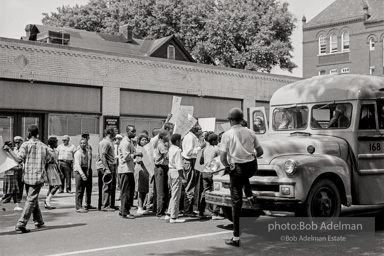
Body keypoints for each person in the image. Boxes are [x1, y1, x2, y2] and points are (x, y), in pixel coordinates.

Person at [220, 108, 264, 247]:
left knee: (236, 202)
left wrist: (229, 166)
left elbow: (222, 158)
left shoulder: (227, 135)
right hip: (251, 167)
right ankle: (250, 196)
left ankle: (236, 237)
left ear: (231, 120)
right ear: (241, 119)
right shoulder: (250, 132)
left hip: (237, 168)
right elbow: (260, 151)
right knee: (244, 175)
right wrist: (250, 156)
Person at [4, 125, 51, 233]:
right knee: (32, 198)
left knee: (31, 199)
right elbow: (49, 159)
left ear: (29, 134)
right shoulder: (44, 146)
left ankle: (21, 223)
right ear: (37, 134)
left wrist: (9, 151)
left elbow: (19, 159)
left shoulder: (25, 145)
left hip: (27, 176)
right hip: (38, 176)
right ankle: (38, 220)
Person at [182, 124, 206, 217]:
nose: (201, 131)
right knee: (190, 186)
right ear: (196, 130)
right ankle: (187, 209)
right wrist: (200, 147)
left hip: (192, 161)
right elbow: (189, 152)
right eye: (200, 129)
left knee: (192, 185)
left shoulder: (193, 137)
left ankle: (189, 208)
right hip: (190, 161)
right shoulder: (190, 138)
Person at [118, 125, 142, 219]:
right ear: (127, 131)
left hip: (129, 169)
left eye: (135, 131)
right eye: (133, 131)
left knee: (129, 191)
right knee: (126, 191)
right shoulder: (125, 143)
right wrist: (136, 154)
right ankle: (125, 212)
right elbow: (126, 157)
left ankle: (123, 209)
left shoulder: (129, 141)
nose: (134, 133)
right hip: (125, 170)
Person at [198, 133, 224, 220]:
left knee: (205, 192)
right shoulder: (216, 150)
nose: (218, 141)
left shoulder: (204, 149)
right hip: (213, 173)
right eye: (217, 140)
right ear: (213, 141)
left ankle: (201, 211)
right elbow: (220, 161)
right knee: (215, 192)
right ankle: (215, 213)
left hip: (204, 172)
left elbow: (201, 161)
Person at [165, 134, 186, 223]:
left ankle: (169, 213)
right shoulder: (177, 150)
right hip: (176, 172)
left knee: (173, 193)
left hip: (170, 171)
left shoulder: (171, 148)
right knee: (176, 195)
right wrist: (183, 177)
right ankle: (174, 217)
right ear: (177, 141)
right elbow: (179, 166)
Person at [96, 127, 117, 211]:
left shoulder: (109, 142)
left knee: (110, 186)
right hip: (107, 165)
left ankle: (109, 204)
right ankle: (105, 205)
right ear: (110, 133)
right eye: (114, 132)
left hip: (110, 165)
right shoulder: (105, 142)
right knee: (107, 186)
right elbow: (103, 156)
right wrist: (106, 168)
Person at [1, 139, 23, 211]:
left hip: (12, 174)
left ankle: (16, 205)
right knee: (9, 193)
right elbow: (8, 165)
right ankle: (16, 205)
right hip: (9, 174)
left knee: (14, 192)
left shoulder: (10, 153)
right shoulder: (5, 155)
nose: (11, 146)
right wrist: (17, 168)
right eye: (9, 145)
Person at [154, 130, 170, 218]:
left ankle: (163, 209)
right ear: (163, 137)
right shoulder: (161, 145)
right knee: (161, 191)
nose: (169, 137)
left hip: (164, 167)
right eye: (167, 136)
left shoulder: (164, 145)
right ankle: (159, 211)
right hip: (160, 168)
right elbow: (167, 155)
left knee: (165, 190)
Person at [78, 131, 96, 210]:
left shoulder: (90, 147)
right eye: (84, 136)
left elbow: (90, 158)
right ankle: (80, 204)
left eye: (86, 136)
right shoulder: (80, 146)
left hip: (89, 168)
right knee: (81, 188)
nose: (85, 138)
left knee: (89, 187)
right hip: (83, 168)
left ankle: (88, 203)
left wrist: (89, 169)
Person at [45, 137, 63, 210]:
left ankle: (47, 202)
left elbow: (56, 162)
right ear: (52, 143)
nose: (57, 144)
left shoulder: (54, 150)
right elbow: (45, 161)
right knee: (57, 185)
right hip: (50, 168)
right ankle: (47, 200)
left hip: (54, 167)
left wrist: (59, 171)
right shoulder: (48, 150)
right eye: (56, 142)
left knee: (52, 187)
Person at [74, 138, 91, 213]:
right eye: (81, 143)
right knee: (79, 190)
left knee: (83, 189)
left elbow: (88, 162)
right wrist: (82, 174)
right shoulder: (77, 153)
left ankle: (83, 205)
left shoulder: (87, 152)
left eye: (84, 143)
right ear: (79, 144)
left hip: (85, 170)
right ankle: (78, 206)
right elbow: (77, 165)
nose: (83, 144)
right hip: (79, 171)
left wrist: (87, 171)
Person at [135, 133, 150, 215]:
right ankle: (140, 207)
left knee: (144, 189)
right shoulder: (139, 149)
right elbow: (139, 160)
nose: (144, 141)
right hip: (141, 169)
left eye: (145, 139)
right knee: (141, 189)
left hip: (146, 170)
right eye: (142, 140)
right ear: (139, 141)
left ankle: (142, 206)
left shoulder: (146, 149)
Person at [114, 134, 123, 201]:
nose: (117, 140)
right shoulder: (114, 146)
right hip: (115, 165)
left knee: (120, 182)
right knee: (116, 181)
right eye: (116, 138)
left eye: (119, 139)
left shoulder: (122, 146)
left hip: (120, 166)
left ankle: (120, 195)